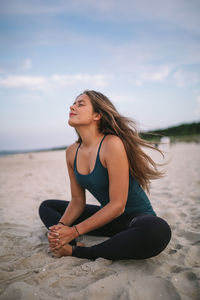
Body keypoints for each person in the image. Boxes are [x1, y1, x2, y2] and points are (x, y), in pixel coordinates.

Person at [39, 90, 171, 260]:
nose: (72, 106)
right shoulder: (72, 152)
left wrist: (74, 231)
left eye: (80, 104)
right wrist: (61, 228)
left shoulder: (111, 144)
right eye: (73, 103)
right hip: (107, 219)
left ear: (97, 115)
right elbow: (78, 201)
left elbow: (118, 205)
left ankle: (77, 252)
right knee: (47, 206)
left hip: (135, 219)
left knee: (158, 231)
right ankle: (68, 243)